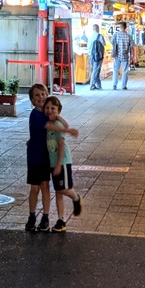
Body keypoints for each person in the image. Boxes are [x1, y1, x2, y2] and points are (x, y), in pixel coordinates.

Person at [25, 82, 78, 232]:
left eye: (43, 94)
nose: (41, 97)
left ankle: (45, 217)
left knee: (45, 187)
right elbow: (47, 128)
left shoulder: (49, 115)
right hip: (35, 157)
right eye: (37, 95)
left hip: (46, 157)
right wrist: (69, 131)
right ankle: (32, 215)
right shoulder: (36, 114)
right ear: (32, 99)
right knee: (35, 188)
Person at [44, 94, 83, 232]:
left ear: (58, 110)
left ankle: (76, 197)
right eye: (47, 108)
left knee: (62, 189)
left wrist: (59, 164)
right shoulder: (50, 123)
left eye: (53, 108)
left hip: (62, 162)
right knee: (58, 192)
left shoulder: (57, 124)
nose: (49, 110)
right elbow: (61, 126)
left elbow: (61, 145)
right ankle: (61, 220)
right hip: (54, 163)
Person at [112, 21, 133, 89]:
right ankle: (123, 86)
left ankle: (114, 85)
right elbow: (132, 46)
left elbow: (112, 41)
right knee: (125, 71)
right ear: (126, 27)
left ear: (120, 27)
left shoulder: (116, 35)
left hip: (117, 55)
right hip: (125, 56)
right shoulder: (128, 36)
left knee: (115, 70)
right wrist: (132, 56)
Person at [89, 23, 105, 90]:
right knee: (96, 70)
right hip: (98, 56)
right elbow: (103, 45)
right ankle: (92, 85)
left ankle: (98, 85)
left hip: (91, 55)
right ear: (98, 29)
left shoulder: (91, 36)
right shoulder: (100, 36)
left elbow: (88, 47)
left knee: (95, 70)